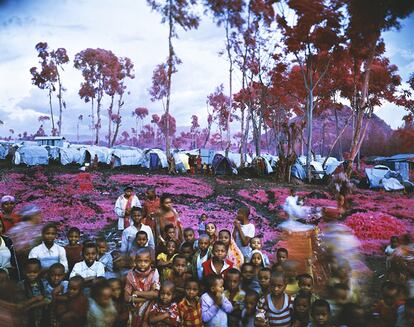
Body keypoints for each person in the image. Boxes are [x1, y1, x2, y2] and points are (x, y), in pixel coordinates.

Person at [124, 247, 160, 327]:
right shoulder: (131, 274)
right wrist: (148, 296)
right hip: (135, 307)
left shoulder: (154, 273)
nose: (142, 264)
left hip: (150, 307)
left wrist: (137, 293)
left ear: (150, 262)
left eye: (146, 261)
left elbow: (156, 294)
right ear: (135, 262)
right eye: (139, 261)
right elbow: (126, 297)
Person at [7, 204, 43, 269]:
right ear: (32, 216)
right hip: (24, 263)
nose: (40, 216)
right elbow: (17, 250)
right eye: (38, 214)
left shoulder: (39, 228)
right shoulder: (18, 229)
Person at [18, 258, 47, 327]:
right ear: (24, 271)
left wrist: (32, 306)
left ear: (39, 271)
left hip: (42, 315)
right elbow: (20, 304)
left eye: (35, 272)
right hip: (27, 317)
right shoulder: (20, 285)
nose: (32, 274)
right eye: (29, 272)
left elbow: (48, 299)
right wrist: (35, 299)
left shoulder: (44, 283)